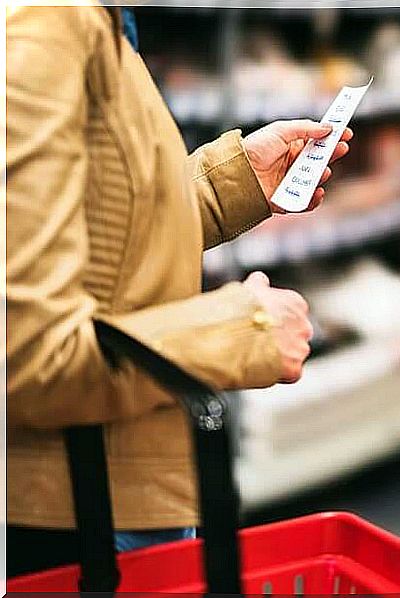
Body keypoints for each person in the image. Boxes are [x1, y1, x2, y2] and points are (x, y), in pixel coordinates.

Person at [5, 5, 353, 576]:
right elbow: (27, 353)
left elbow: (94, 227)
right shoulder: (44, 26)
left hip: (106, 482)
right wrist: (243, 330)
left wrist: (230, 183)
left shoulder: (90, 20)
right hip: (77, 510)